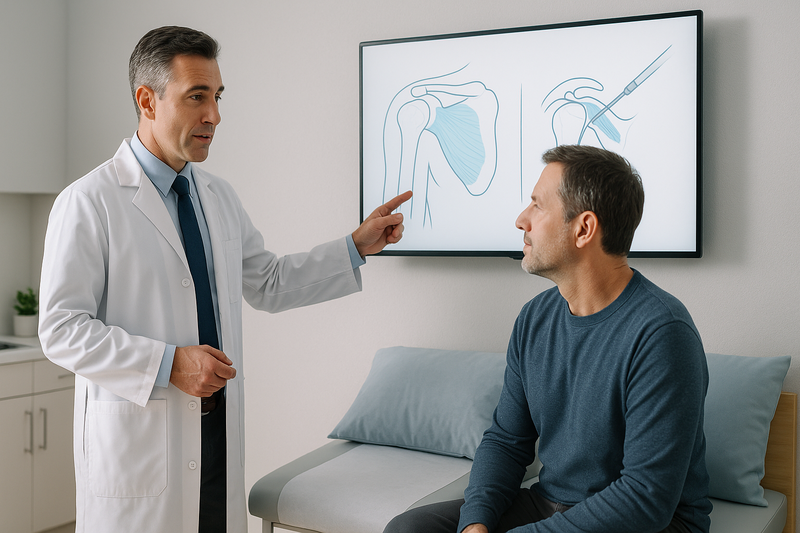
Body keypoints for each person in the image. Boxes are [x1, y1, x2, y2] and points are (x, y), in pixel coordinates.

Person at [38, 26, 411, 533]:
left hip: (216, 437)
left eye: (217, 96)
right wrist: (168, 364)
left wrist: (356, 246)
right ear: (147, 101)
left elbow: (268, 282)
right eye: (197, 96)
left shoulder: (217, 197)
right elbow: (61, 329)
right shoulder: (89, 202)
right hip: (140, 446)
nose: (214, 115)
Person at [384, 145, 711, 533]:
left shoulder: (662, 333)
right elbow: (507, 441)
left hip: (648, 523)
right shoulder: (535, 318)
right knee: (408, 529)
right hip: (548, 503)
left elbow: (644, 498)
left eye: (537, 206)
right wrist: (475, 523)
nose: (521, 220)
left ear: (583, 229)